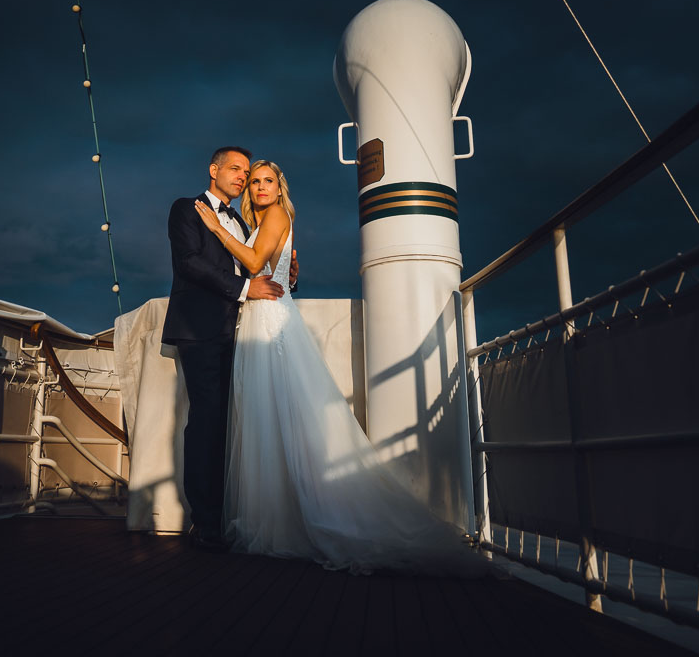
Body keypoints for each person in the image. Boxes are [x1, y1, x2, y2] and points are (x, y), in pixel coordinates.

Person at [195, 160, 491, 575]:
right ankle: (278, 516)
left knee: (285, 418)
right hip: (263, 316)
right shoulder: (262, 219)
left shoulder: (276, 215)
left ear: (280, 190)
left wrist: (215, 230)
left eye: (268, 182)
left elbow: (253, 260)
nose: (260, 188)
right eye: (255, 182)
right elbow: (271, 267)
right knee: (272, 420)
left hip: (272, 322)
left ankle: (303, 517)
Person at [162, 146, 296, 553]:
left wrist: (285, 274)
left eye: (248, 173)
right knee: (205, 422)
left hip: (239, 334)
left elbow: (258, 265)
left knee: (229, 425)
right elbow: (189, 262)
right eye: (236, 170)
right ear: (213, 170)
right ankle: (205, 523)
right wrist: (244, 287)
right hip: (199, 329)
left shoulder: (243, 220)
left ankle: (228, 513)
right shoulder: (187, 208)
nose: (243, 178)